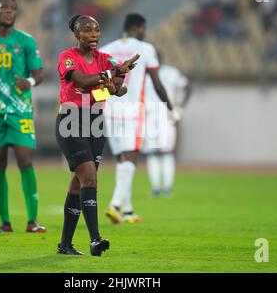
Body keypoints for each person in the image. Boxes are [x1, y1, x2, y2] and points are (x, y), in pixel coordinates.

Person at [55, 14, 138, 256]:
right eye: (87, 30)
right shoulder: (67, 57)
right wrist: (112, 75)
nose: (93, 35)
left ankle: (65, 245)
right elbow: (81, 79)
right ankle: (95, 239)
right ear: (77, 34)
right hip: (71, 121)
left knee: (78, 184)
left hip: (97, 123)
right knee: (89, 179)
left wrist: (115, 84)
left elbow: (119, 85)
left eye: (97, 30)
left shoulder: (104, 58)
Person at [0, 0, 46, 233]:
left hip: (20, 110)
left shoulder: (25, 42)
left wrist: (30, 82)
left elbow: (39, 73)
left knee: (25, 160)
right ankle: (4, 222)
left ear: (16, 14)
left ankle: (32, 220)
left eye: (12, 8)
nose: (8, 11)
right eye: (3, 7)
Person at [101, 13, 180, 224]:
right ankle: (115, 204)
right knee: (131, 158)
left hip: (109, 110)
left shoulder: (106, 49)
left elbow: (99, 83)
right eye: (144, 29)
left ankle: (127, 210)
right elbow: (157, 83)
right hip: (132, 111)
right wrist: (172, 109)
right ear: (138, 28)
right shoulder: (145, 49)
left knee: (121, 160)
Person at [141, 51, 191, 197]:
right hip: (151, 116)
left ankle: (165, 188)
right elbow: (188, 87)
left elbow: (188, 87)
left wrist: (180, 108)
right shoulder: (146, 74)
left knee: (164, 153)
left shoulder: (170, 72)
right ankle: (158, 188)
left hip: (164, 116)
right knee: (154, 154)